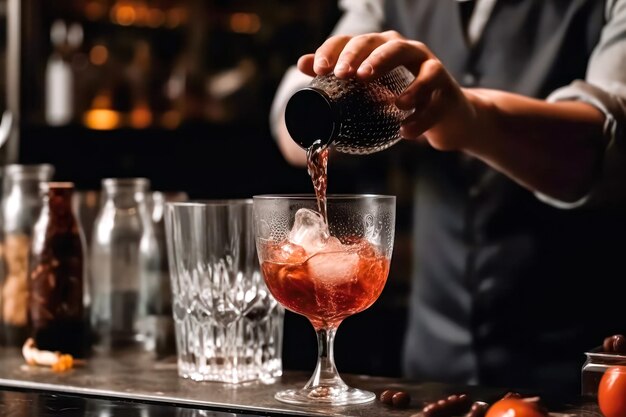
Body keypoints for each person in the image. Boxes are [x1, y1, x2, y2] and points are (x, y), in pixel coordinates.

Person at [269, 0, 626, 399]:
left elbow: (610, 152)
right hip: (431, 369)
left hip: (585, 370)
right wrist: (339, 86)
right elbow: (288, 117)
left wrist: (469, 118)